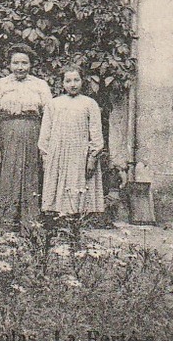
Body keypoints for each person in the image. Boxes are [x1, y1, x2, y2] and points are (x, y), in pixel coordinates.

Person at [0, 44, 53, 226]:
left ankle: (31, 223)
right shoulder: (0, 85)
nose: (20, 67)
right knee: (8, 174)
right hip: (7, 132)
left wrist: (45, 144)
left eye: (24, 63)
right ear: (9, 64)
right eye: (16, 63)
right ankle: (6, 222)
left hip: (34, 132)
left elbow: (49, 115)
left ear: (31, 64)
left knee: (32, 173)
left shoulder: (40, 85)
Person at [38, 66, 105, 241]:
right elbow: (46, 132)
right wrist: (46, 156)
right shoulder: (54, 104)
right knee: (58, 190)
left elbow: (96, 133)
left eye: (76, 80)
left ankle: (76, 230)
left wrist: (92, 157)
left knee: (77, 189)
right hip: (58, 153)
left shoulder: (90, 103)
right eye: (68, 81)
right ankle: (59, 230)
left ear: (82, 81)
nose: (72, 84)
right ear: (62, 83)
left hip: (79, 154)